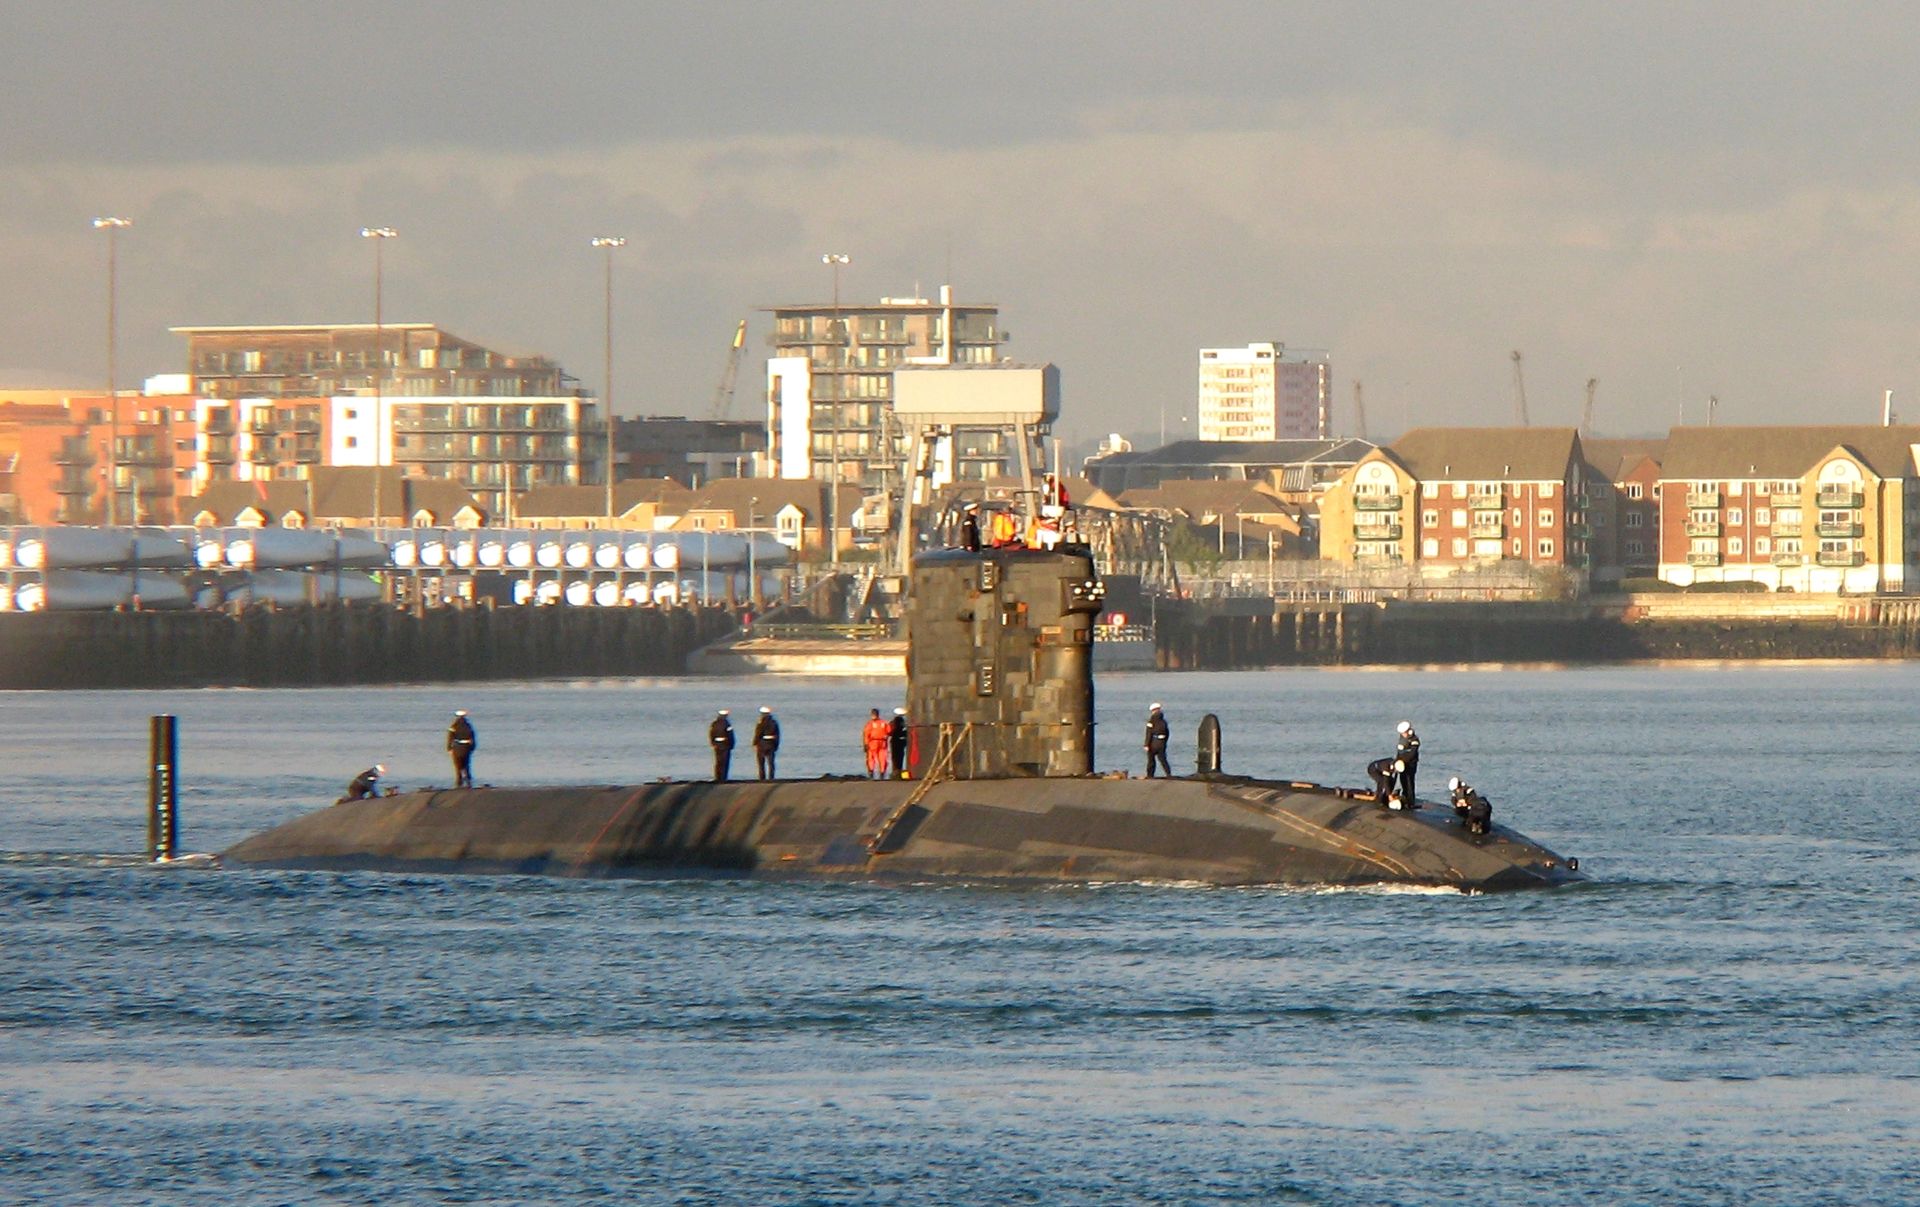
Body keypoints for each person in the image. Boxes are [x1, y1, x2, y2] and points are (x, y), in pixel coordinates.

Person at [446, 709, 477, 788]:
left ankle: (459, 780)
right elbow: (472, 737)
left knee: (457, 764)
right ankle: (468, 779)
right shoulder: (468, 726)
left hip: (457, 747)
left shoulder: (454, 726)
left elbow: (450, 737)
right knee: (466, 763)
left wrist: (449, 748)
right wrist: (472, 747)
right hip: (466, 747)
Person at [1393, 721, 1421, 805]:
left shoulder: (1414, 740)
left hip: (1410, 764)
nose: (1403, 735)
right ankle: (1404, 796)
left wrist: (1403, 760)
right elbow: (1399, 751)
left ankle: (1410, 800)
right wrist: (1397, 761)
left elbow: (1412, 753)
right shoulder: (1402, 739)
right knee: (1403, 780)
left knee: (1409, 781)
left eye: (1404, 733)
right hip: (1401, 764)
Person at [1143, 703, 1171, 778]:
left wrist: (1146, 744)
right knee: (1163, 759)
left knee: (1151, 760)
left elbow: (1149, 733)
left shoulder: (1151, 721)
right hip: (1161, 742)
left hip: (1153, 742)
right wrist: (1164, 742)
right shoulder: (1163, 721)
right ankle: (1168, 773)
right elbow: (1167, 733)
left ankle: (1150, 775)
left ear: (1153, 711)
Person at [753, 706, 780, 781]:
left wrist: (754, 743)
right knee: (771, 762)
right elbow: (777, 735)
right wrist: (776, 745)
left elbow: (758, 734)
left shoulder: (761, 723)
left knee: (761, 763)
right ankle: (771, 777)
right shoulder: (774, 722)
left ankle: (762, 778)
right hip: (771, 744)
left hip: (762, 744)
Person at [862, 708, 891, 779]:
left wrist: (865, 744)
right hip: (882, 742)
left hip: (873, 742)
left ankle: (872, 773)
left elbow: (866, 734)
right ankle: (882, 773)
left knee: (871, 758)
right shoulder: (884, 723)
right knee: (882, 758)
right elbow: (889, 731)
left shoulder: (870, 724)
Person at [709, 710, 735, 782]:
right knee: (725, 762)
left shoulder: (714, 724)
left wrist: (713, 743)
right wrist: (732, 744)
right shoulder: (727, 724)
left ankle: (717, 777)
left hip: (717, 744)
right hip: (725, 744)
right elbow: (730, 735)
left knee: (718, 761)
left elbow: (711, 734)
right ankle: (723, 777)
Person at [888, 707, 910, 778]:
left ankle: (896, 771)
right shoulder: (897, 723)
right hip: (898, 742)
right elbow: (898, 732)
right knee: (898, 758)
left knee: (896, 758)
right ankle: (897, 772)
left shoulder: (893, 723)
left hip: (896, 742)